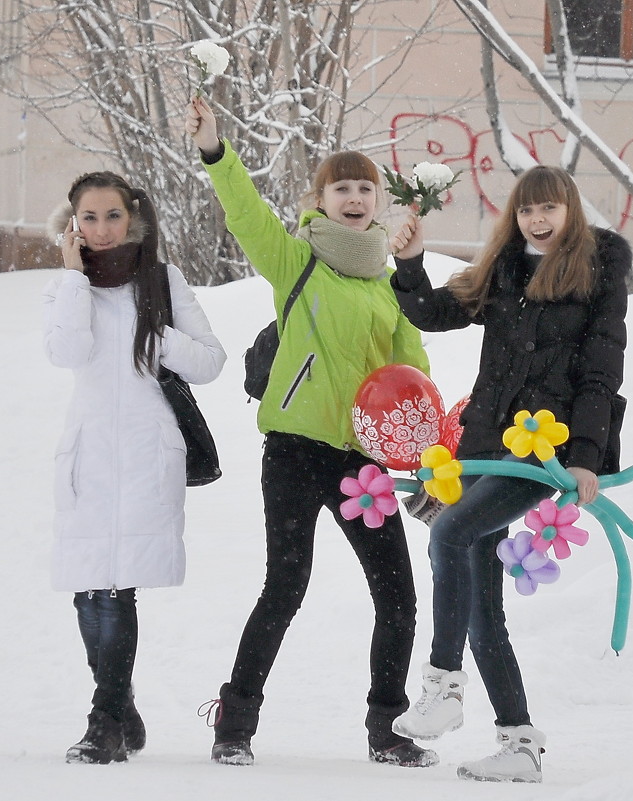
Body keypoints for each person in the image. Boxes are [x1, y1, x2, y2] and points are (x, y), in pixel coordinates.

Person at [185, 96, 436, 769]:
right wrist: (216, 150)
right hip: (295, 451)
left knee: (399, 597)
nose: (353, 197)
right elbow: (245, 213)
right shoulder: (298, 260)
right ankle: (235, 722)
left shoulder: (388, 287)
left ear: (378, 202)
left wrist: (428, 448)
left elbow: (414, 371)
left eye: (364, 187)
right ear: (321, 198)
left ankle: (387, 728)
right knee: (285, 587)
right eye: (341, 187)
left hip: (363, 465)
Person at [387, 165, 630, 783]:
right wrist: (411, 264)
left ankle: (442, 684)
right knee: (480, 601)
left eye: (549, 209)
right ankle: (519, 743)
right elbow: (433, 314)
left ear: (570, 211)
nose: (538, 221)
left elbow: (603, 366)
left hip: (545, 449)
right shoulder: (503, 269)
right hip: (489, 444)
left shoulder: (597, 271)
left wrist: (585, 453)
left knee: (449, 533)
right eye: (527, 211)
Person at [41, 171, 227, 765]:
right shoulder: (68, 287)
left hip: (148, 452)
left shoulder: (164, 282)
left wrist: (160, 335)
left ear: (133, 218)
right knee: (88, 588)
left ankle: (105, 720)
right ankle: (121, 707)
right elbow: (65, 352)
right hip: (90, 452)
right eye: (88, 218)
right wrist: (73, 278)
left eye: (112, 216)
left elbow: (211, 361)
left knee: (117, 588)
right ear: (72, 224)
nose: (100, 229)